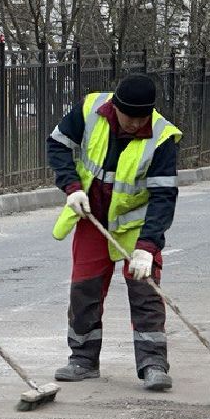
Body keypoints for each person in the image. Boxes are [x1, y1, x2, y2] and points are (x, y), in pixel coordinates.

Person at [47, 73, 182, 390]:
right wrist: (72, 187)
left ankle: (153, 364)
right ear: (115, 107)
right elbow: (56, 145)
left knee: (146, 291)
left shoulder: (161, 138)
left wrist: (147, 247)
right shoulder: (90, 110)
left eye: (141, 117)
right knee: (85, 290)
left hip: (136, 225)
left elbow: (163, 197)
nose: (135, 124)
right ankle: (82, 359)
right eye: (129, 117)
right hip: (91, 215)